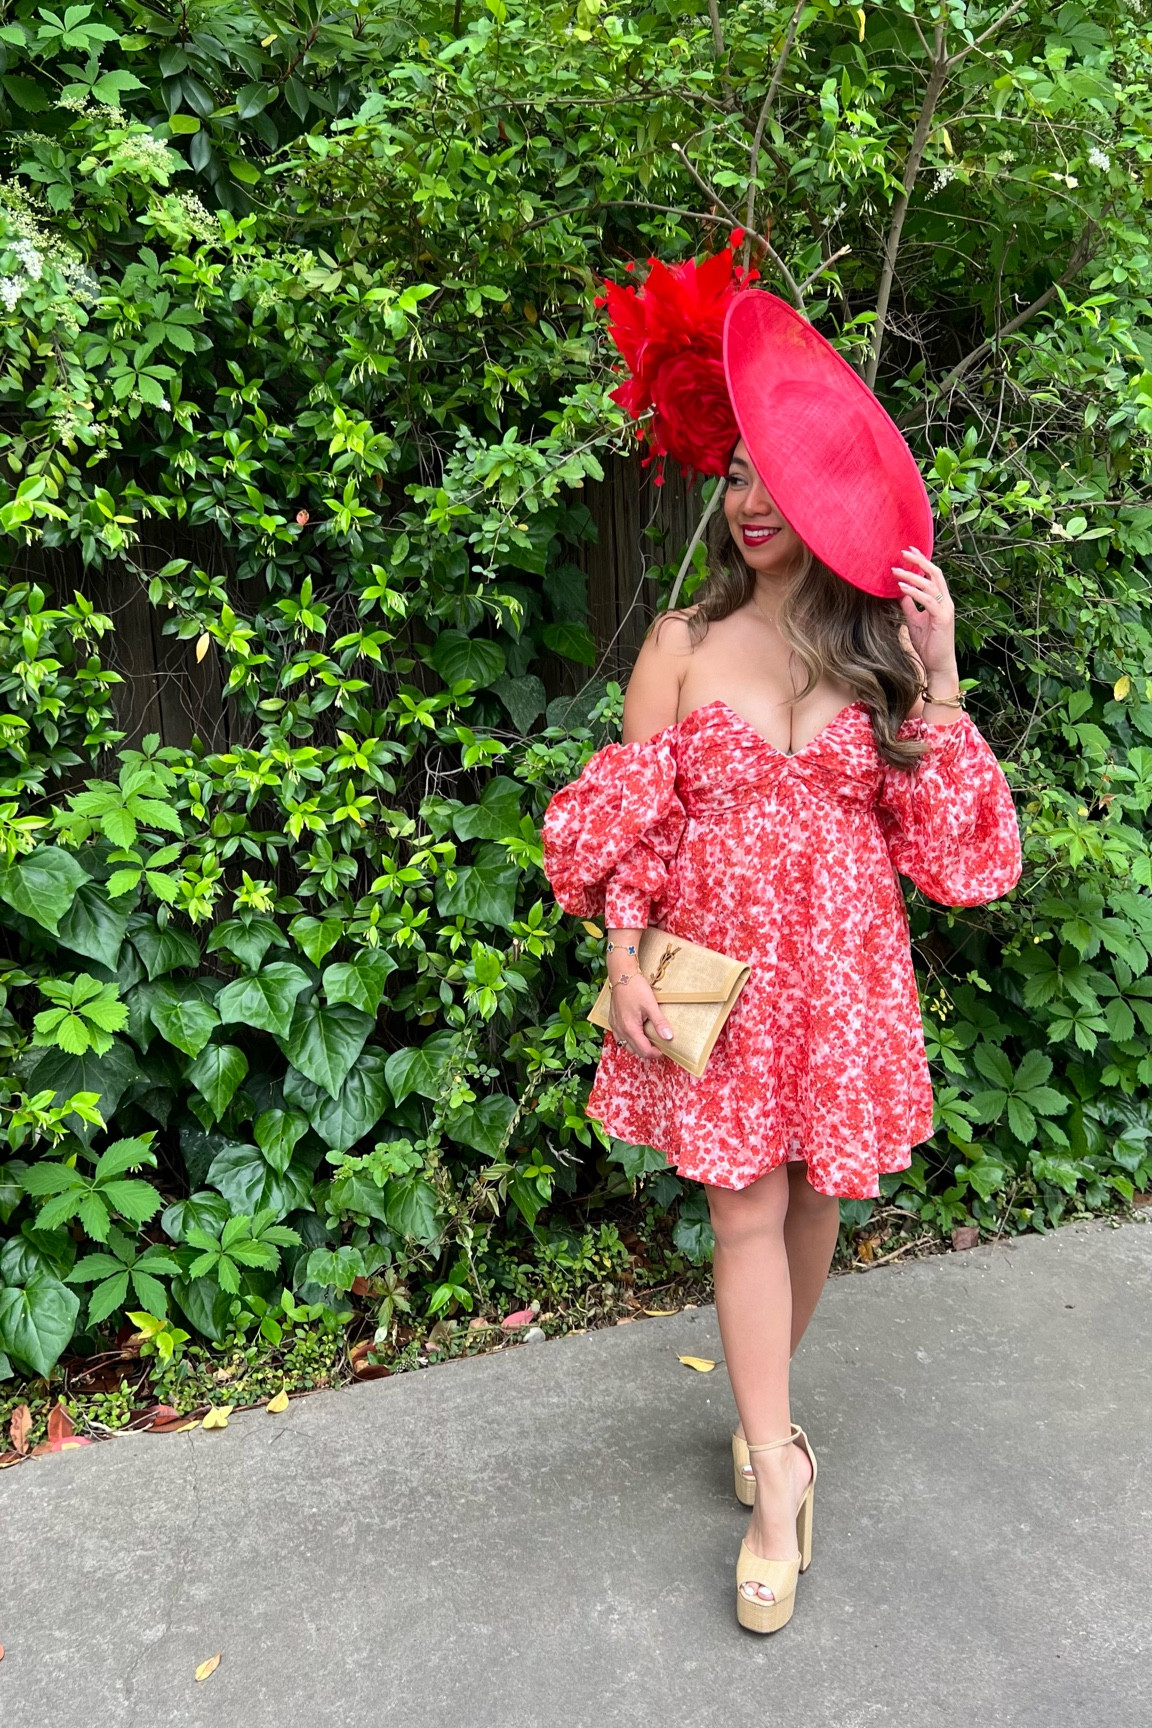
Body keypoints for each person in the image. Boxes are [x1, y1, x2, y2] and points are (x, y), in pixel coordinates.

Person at [539, 259, 1024, 1634]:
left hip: (848, 974)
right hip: (709, 969)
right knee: (742, 1208)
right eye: (733, 474)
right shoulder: (683, 645)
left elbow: (965, 861)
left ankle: (768, 1414)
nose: (749, 500)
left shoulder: (875, 655)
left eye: (774, 478)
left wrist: (938, 676)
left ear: (823, 498)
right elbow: (627, 827)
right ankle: (776, 1484)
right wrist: (622, 963)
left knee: (814, 1205)